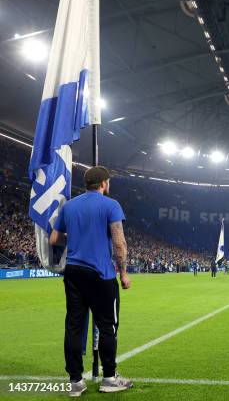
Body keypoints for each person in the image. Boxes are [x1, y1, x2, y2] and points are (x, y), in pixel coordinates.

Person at [50, 166, 133, 396]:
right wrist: (123, 272)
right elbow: (119, 243)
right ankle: (109, 378)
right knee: (107, 326)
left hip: (74, 272)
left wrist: (76, 236)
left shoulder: (69, 206)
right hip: (101, 274)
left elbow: (55, 238)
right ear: (104, 183)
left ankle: (75, 381)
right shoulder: (111, 205)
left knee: (74, 326)